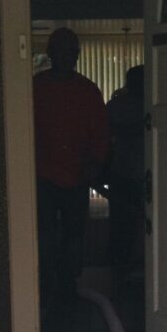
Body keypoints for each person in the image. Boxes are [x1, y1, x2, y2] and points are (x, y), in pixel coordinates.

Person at [33, 27, 110, 309]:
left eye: (71, 51)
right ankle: (42, 282)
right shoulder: (35, 88)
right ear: (51, 53)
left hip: (77, 177)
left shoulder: (88, 91)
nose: (66, 56)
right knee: (43, 232)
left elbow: (101, 135)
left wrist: (95, 163)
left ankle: (68, 283)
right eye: (60, 50)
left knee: (74, 233)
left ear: (77, 56)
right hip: (41, 176)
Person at [107, 65, 145, 283]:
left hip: (147, 175)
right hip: (124, 174)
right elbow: (102, 131)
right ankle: (119, 273)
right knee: (122, 226)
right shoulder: (118, 105)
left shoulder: (157, 104)